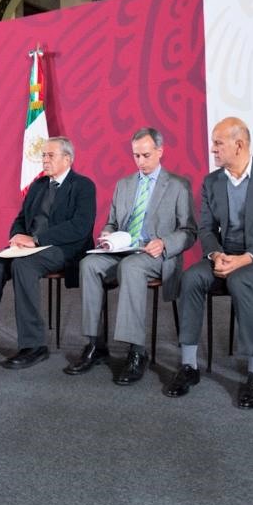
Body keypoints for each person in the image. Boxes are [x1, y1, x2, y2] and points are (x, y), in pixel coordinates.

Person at [162, 117, 253, 409]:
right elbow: (207, 229)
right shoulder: (213, 181)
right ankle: (188, 366)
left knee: (240, 279)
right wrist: (215, 254)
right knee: (191, 278)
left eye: (218, 143)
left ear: (239, 145)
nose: (212, 149)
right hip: (226, 254)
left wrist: (246, 258)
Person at [66, 128, 196, 384]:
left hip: (156, 253)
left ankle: (137, 351)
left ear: (160, 151)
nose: (140, 162)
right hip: (124, 250)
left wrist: (164, 243)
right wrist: (107, 234)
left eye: (146, 155)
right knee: (89, 264)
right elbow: (112, 222)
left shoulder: (179, 185)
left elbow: (189, 231)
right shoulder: (124, 184)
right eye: (136, 156)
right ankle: (95, 344)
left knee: (132, 268)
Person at [0, 136, 96, 369]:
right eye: (43, 156)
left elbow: (80, 226)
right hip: (30, 247)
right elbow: (20, 219)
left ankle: (34, 345)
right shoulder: (38, 185)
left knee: (24, 265)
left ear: (67, 159)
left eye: (50, 155)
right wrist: (17, 238)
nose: (45, 160)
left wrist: (36, 239)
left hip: (63, 249)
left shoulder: (83, 186)